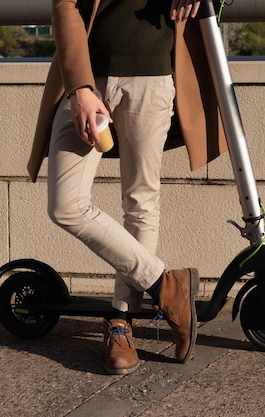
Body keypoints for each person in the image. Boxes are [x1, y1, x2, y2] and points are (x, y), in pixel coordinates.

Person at [27, 0, 227, 374]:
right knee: (65, 205)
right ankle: (167, 286)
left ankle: (121, 323)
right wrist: (81, 88)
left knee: (141, 202)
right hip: (86, 78)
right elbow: (64, 4)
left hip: (153, 74)